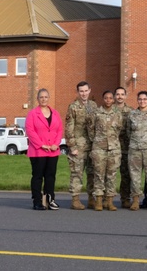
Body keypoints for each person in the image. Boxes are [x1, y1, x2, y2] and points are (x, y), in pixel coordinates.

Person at [26, 88, 64, 211]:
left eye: (46, 97)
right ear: (37, 99)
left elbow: (59, 130)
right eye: (41, 97)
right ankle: (37, 201)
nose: (44, 99)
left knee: (50, 176)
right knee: (38, 176)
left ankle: (50, 200)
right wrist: (42, 145)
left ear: (49, 98)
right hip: (38, 151)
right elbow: (30, 131)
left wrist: (56, 144)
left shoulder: (55, 113)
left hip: (53, 151)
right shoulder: (32, 114)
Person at [65, 80, 98, 211]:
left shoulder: (93, 105)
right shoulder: (73, 107)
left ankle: (91, 199)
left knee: (92, 173)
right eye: (81, 91)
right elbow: (69, 128)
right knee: (76, 173)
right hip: (78, 146)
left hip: (92, 146)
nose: (84, 93)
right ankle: (75, 199)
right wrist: (72, 146)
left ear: (89, 90)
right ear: (78, 92)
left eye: (86, 91)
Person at [88, 90, 124, 210]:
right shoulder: (96, 113)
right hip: (99, 148)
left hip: (114, 149)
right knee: (98, 174)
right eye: (106, 98)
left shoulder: (118, 113)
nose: (108, 100)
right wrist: (98, 141)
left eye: (110, 98)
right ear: (103, 99)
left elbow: (119, 129)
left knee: (112, 175)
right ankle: (98, 200)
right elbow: (91, 130)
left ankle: (109, 201)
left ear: (113, 99)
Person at [114, 86, 133, 208]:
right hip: (111, 147)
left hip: (126, 147)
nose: (120, 96)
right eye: (117, 94)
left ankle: (125, 198)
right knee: (109, 174)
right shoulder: (109, 110)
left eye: (122, 94)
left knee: (126, 175)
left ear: (125, 96)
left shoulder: (131, 111)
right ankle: (107, 198)